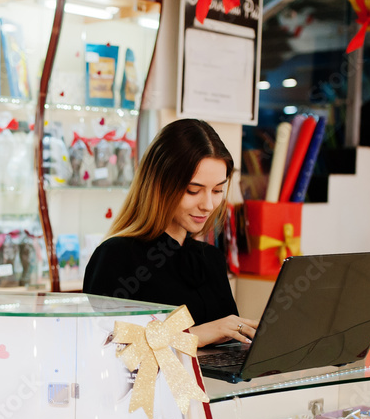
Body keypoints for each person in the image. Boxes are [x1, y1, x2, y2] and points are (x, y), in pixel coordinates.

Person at [82, 119, 258, 347]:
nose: (208, 204)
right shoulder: (116, 256)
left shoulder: (210, 258)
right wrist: (195, 335)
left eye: (217, 190)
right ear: (159, 185)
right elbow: (107, 349)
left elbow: (229, 343)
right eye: (193, 191)